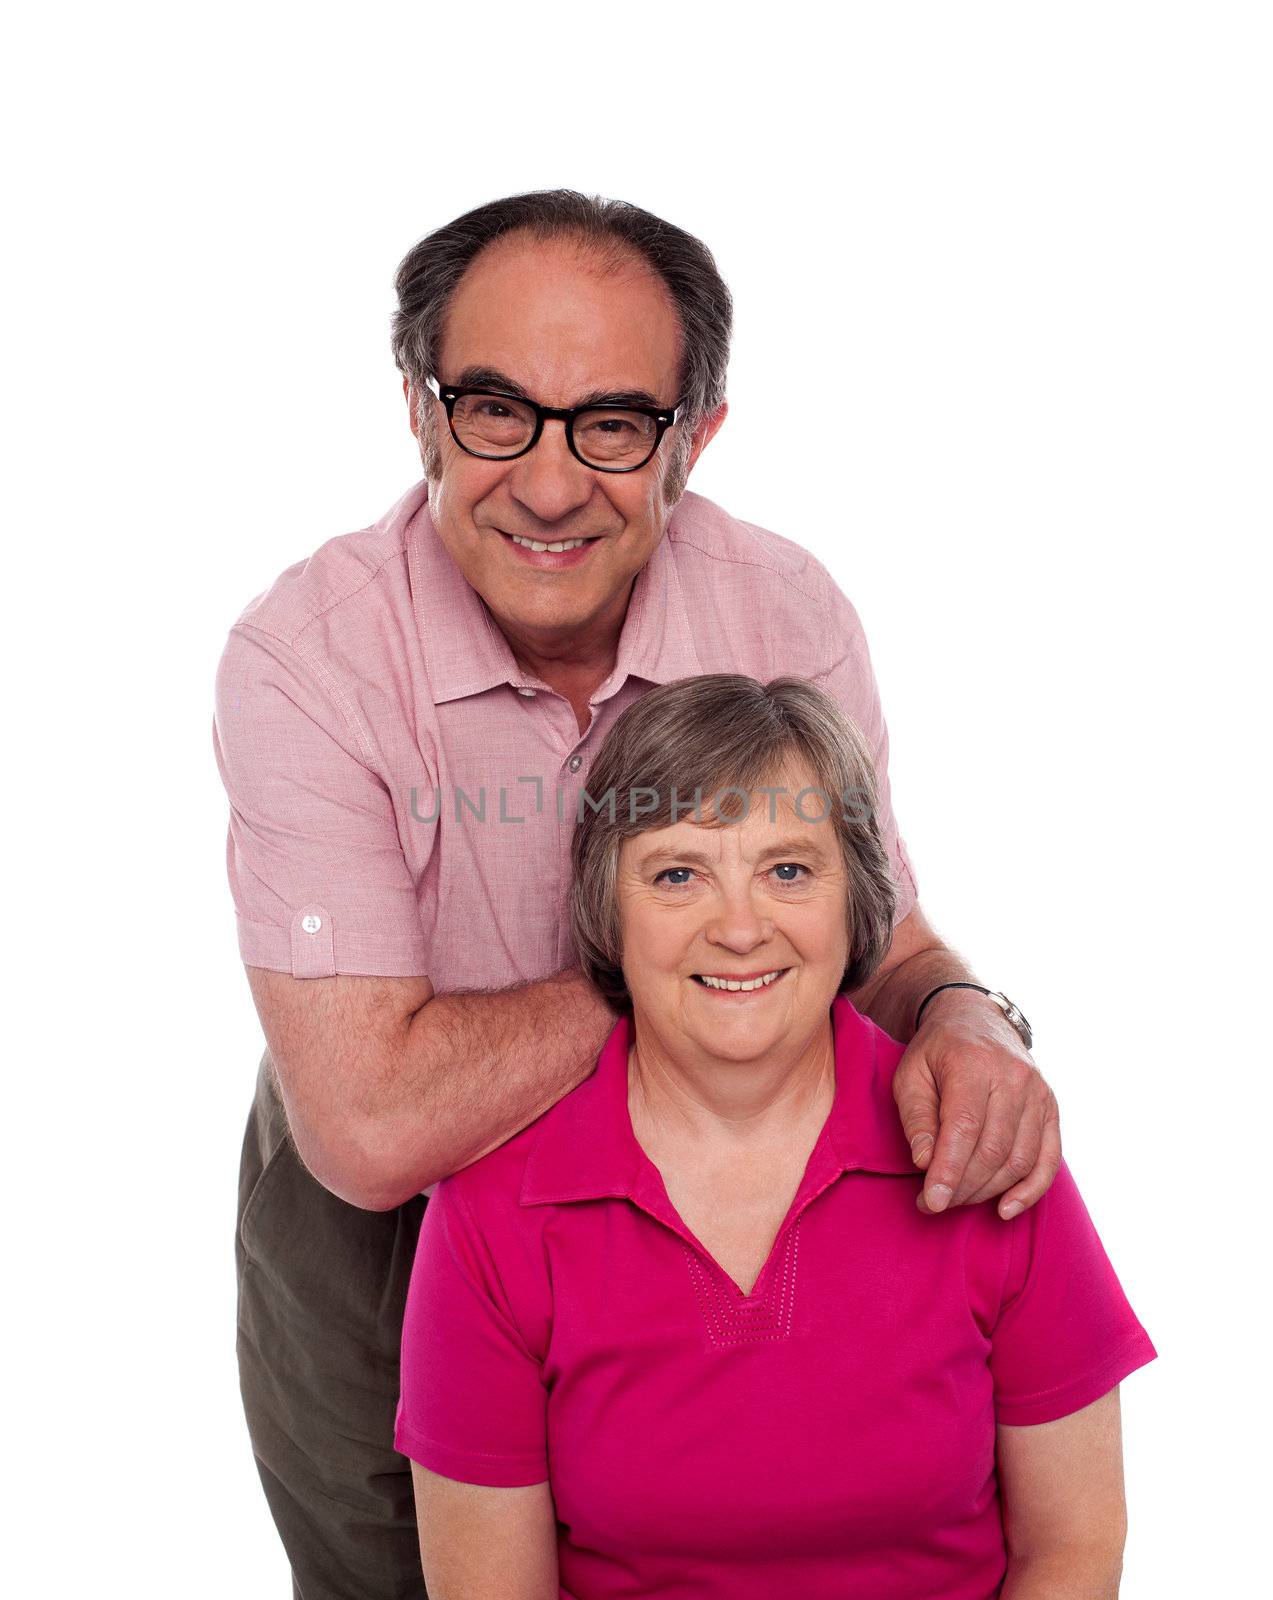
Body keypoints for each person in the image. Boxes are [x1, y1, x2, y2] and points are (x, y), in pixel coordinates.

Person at [214, 190, 1061, 1599]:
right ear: (417, 410)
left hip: (719, 1177)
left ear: (696, 435)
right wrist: (682, 968)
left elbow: (868, 937)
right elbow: (368, 1126)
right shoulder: (307, 658)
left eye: (611, 423)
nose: (549, 485)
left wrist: (966, 1015)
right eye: (495, 409)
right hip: (393, 1217)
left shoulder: (783, 612)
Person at [396, 673, 1156, 1600]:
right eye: (678, 874)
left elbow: (1074, 1550)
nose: (740, 928)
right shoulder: (490, 1215)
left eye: (788, 870)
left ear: (858, 901)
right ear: (608, 909)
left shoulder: (982, 1144)